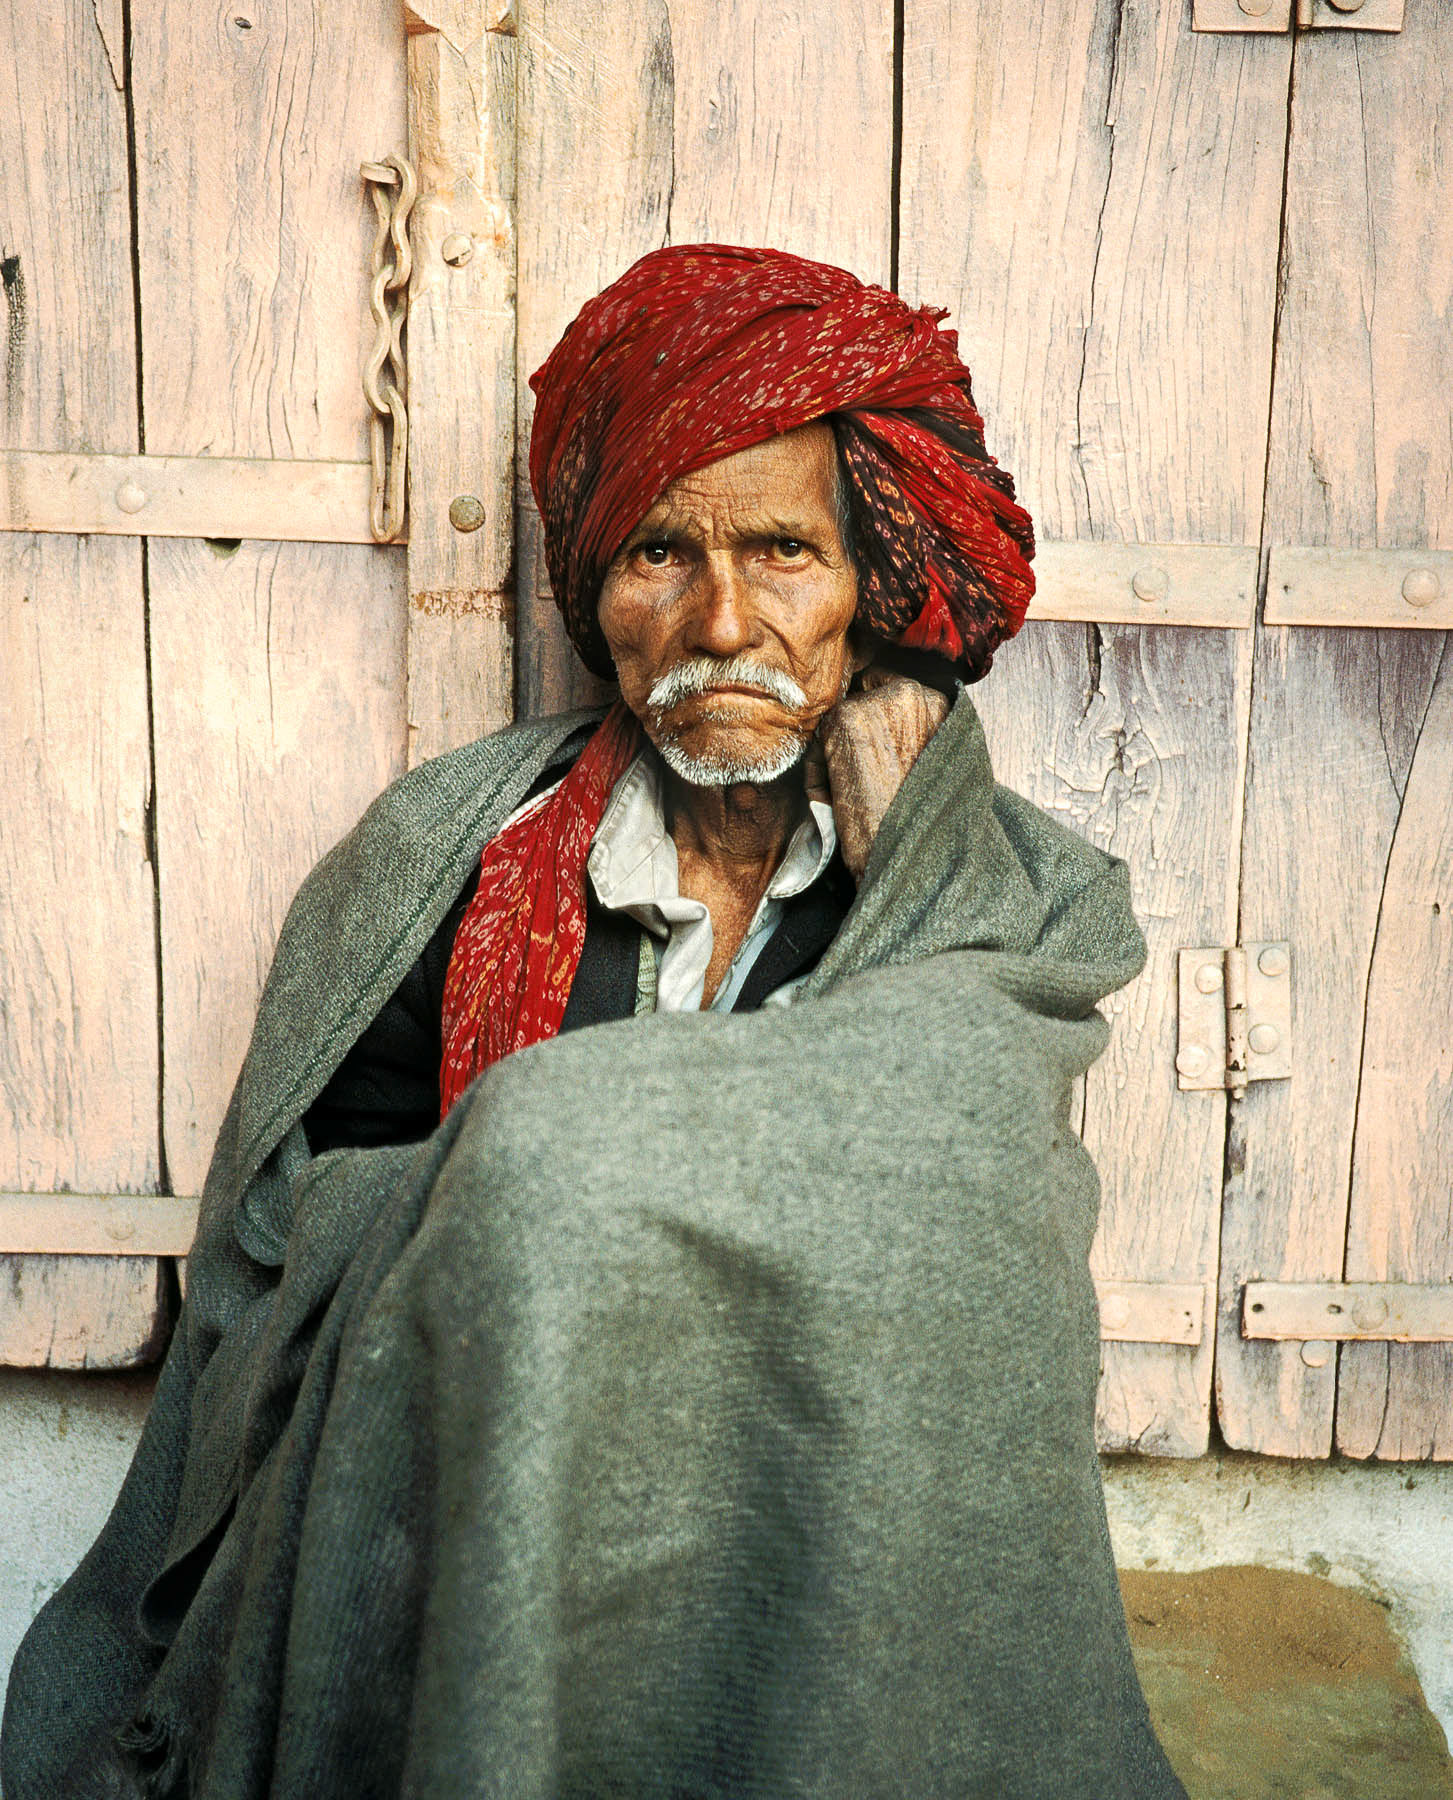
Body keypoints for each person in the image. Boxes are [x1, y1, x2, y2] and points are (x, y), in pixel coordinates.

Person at [2, 245, 1186, 1798]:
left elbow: (972, 1222)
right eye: (655, 556)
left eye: (781, 553)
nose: (717, 622)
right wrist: (525, 1190)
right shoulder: (445, 854)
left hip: (821, 1558)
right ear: (595, 594)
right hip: (495, 1524)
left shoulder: (997, 894)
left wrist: (911, 852)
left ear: (869, 593)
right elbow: (301, 1250)